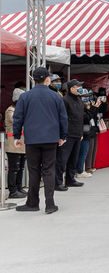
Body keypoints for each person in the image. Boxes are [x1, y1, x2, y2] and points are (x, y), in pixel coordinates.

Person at [12, 67, 67, 214]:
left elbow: (18, 118)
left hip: (32, 139)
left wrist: (17, 136)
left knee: (34, 171)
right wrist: (63, 136)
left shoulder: (25, 96)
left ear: (33, 79)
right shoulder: (56, 96)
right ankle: (50, 204)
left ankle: (32, 203)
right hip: (51, 138)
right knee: (49, 170)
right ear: (47, 79)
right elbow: (63, 118)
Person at [55, 79, 86, 191]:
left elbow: (80, 118)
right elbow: (62, 119)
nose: (80, 89)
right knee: (62, 160)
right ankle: (57, 182)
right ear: (71, 88)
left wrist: (81, 133)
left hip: (77, 133)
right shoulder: (65, 100)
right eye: (78, 87)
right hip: (67, 135)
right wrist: (62, 135)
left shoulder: (79, 100)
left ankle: (70, 179)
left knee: (73, 159)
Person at [5, 88, 27, 199]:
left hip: (22, 145)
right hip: (13, 146)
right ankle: (12, 191)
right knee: (14, 169)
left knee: (21, 168)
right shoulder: (10, 110)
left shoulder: (21, 111)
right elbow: (17, 120)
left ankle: (19, 188)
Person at [76, 90, 102, 179]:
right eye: (85, 97)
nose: (87, 99)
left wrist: (93, 108)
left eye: (88, 97)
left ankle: (80, 170)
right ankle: (80, 171)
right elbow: (86, 118)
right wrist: (93, 108)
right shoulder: (79, 107)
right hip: (82, 132)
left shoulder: (86, 106)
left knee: (84, 152)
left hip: (87, 132)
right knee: (82, 153)